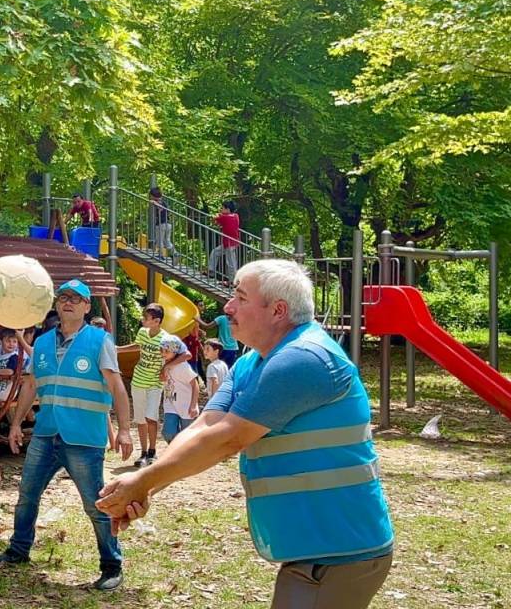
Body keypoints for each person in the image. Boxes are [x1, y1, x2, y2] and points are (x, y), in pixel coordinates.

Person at [98, 260, 394, 609]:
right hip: (323, 549)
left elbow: (227, 439)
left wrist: (144, 482)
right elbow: (204, 428)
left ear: (278, 310)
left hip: (339, 552)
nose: (227, 306)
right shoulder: (253, 363)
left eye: (240, 297)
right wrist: (146, 485)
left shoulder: (304, 359)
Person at [0, 279, 133, 592]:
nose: (68, 302)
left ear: (86, 307)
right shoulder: (40, 343)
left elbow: (116, 386)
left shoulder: (99, 340)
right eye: (63, 297)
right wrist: (15, 424)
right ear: (56, 304)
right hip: (45, 432)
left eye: (75, 299)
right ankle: (18, 550)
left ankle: (112, 565)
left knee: (96, 505)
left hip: (83, 438)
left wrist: (123, 429)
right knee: (27, 495)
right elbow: (30, 385)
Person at [130, 304, 191, 467]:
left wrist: (166, 367)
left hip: (155, 383)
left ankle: (152, 451)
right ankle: (142, 452)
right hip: (138, 380)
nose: (142, 320)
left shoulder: (166, 338)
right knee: (140, 418)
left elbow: (186, 354)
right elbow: (138, 346)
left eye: (146, 318)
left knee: (151, 417)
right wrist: (118, 349)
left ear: (156, 321)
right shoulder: (142, 332)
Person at [160, 337, 201, 444]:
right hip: (170, 404)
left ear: (175, 352)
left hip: (186, 405)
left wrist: (193, 405)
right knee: (168, 433)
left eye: (166, 351)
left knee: (188, 436)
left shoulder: (182, 366)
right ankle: (175, 449)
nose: (163, 353)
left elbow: (195, 385)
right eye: (161, 350)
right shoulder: (164, 364)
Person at [208, 200, 241, 283]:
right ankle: (211, 271)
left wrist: (217, 216)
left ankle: (232, 281)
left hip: (229, 243)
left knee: (230, 262)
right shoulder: (236, 216)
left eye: (222, 208)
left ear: (228, 209)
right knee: (215, 252)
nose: (221, 210)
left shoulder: (225, 217)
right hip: (231, 242)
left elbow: (215, 219)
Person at [149, 187, 174, 258]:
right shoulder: (164, 202)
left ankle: (161, 255)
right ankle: (175, 253)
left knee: (159, 240)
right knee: (167, 241)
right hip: (168, 224)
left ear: (153, 196)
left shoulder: (159, 202)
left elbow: (160, 208)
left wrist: (154, 202)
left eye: (151, 196)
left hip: (161, 224)